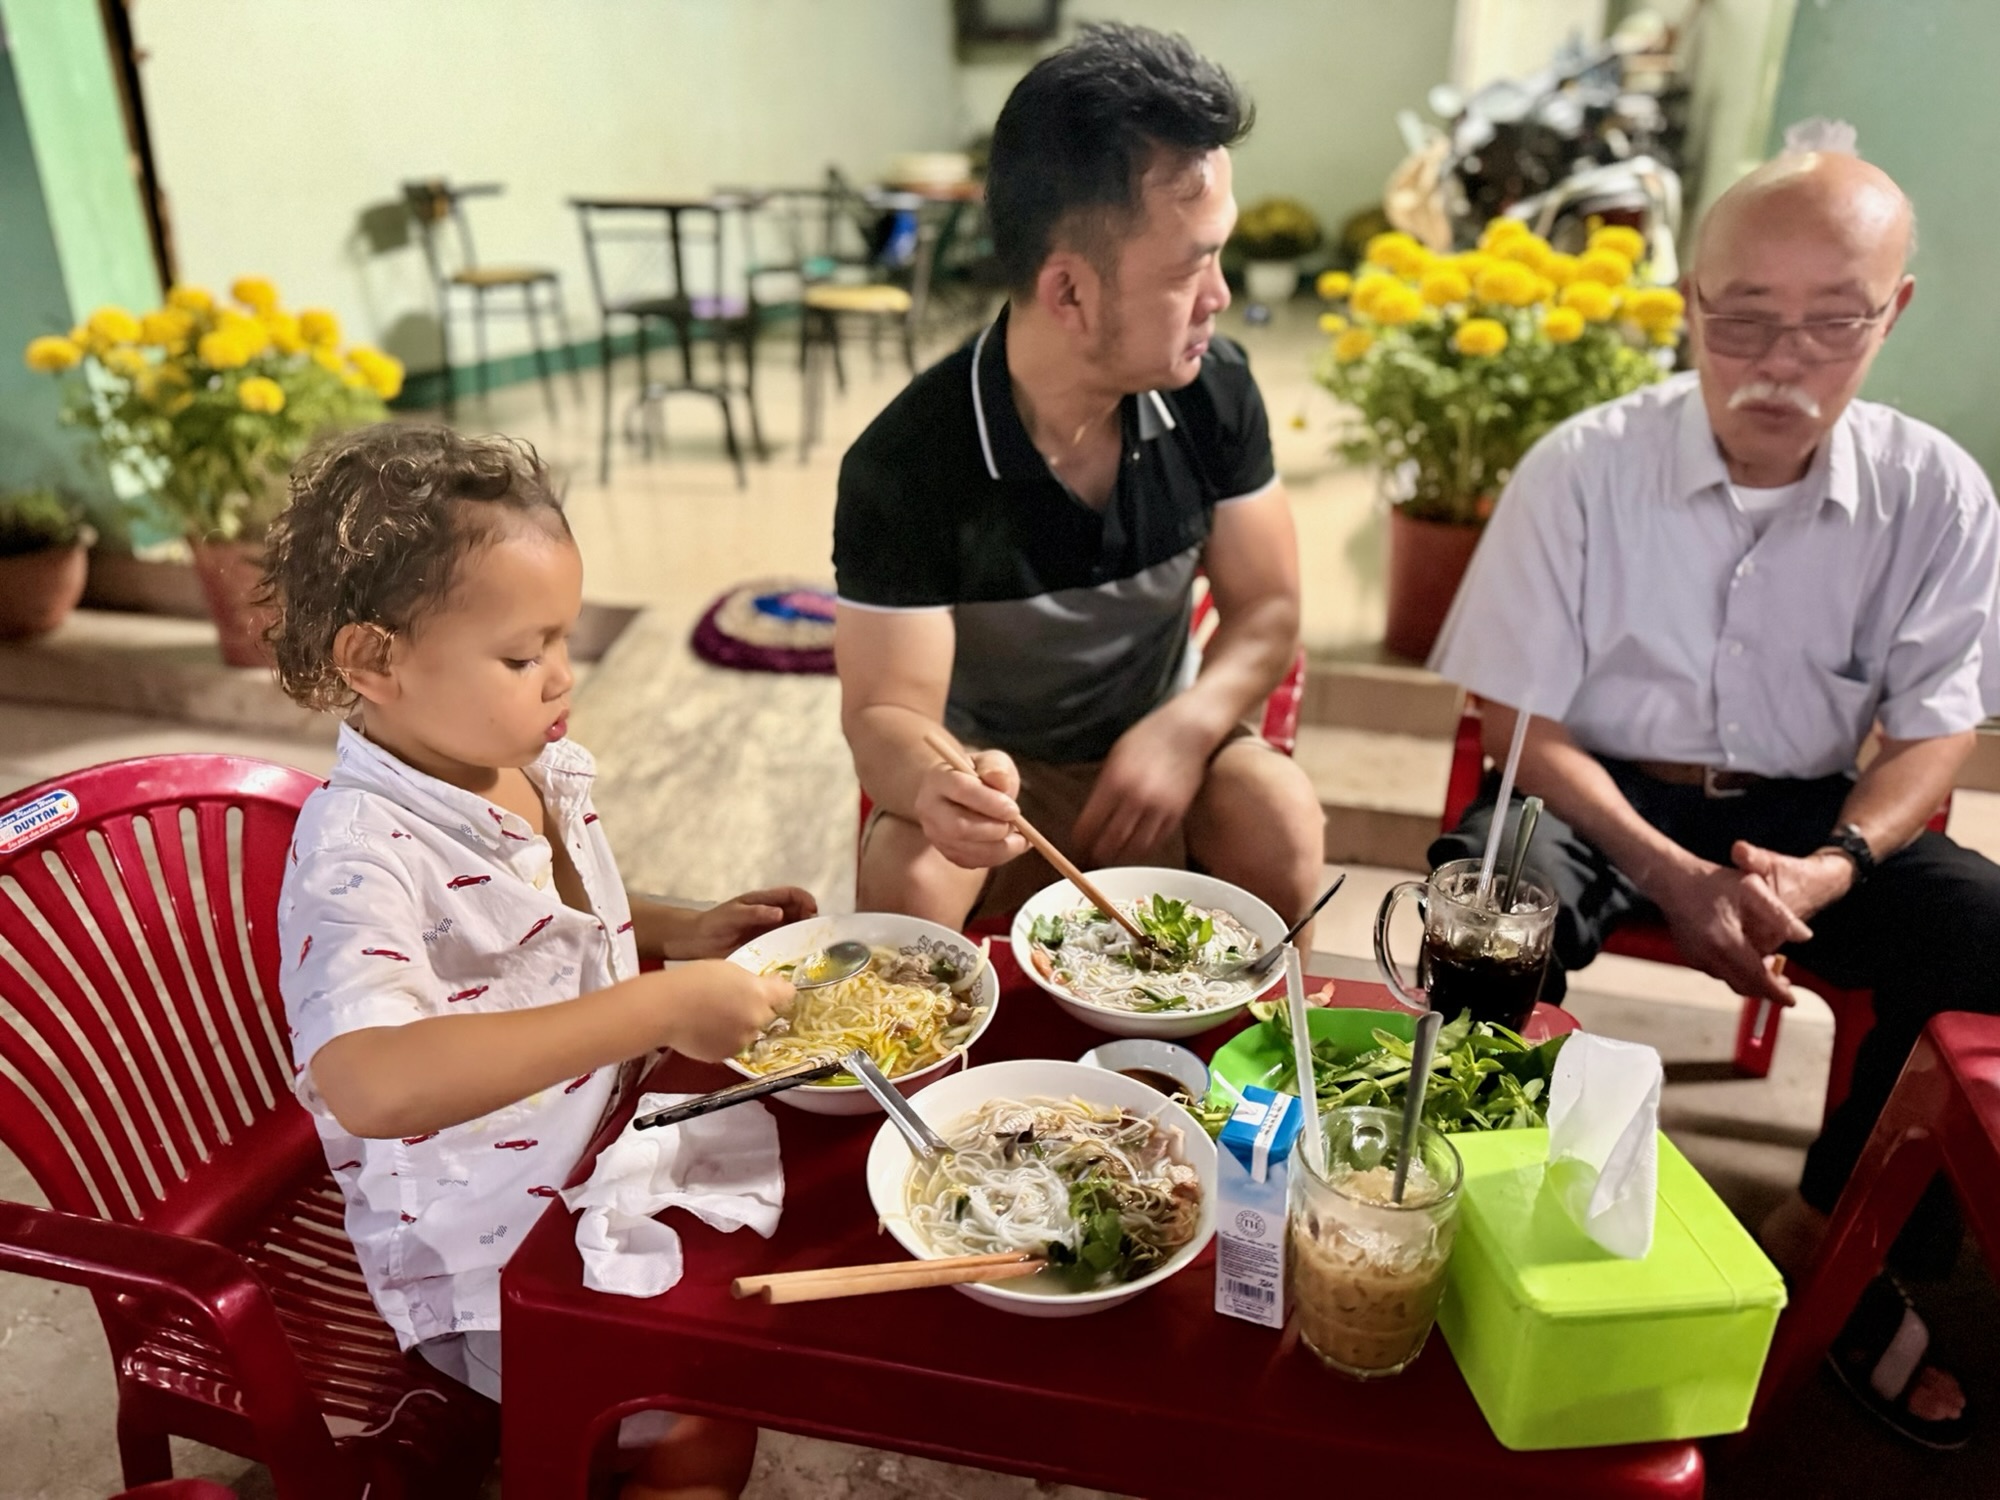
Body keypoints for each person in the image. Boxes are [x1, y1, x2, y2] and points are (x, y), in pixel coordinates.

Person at [1430, 149, 2000, 1449]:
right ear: (1689, 298)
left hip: (1808, 814)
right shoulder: (1582, 469)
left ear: (1894, 311)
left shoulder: (1936, 495)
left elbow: (1934, 732)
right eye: (1742, 316)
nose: (1780, 361)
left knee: (1983, 935)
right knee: (1485, 910)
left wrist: (1838, 862)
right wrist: (1667, 871)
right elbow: (1516, 719)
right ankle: (1485, 1205)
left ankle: (1837, 1237)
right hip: (1596, 788)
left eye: (1832, 320)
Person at [264, 424, 813, 1500]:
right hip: (482, 1247)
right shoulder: (355, 851)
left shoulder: (515, 761)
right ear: (374, 662)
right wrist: (654, 1009)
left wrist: (674, 931)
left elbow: (538, 926)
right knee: (697, 1421)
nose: (562, 676)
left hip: (594, 1152)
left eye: (563, 639)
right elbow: (370, 1079)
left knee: (785, 1281)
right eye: (523, 655)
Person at [833, 23, 1325, 940]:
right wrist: (941, 781)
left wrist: (1187, 726)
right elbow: (885, 712)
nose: (1221, 294)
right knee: (909, 872)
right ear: (1068, 293)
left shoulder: (1214, 390)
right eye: (1192, 264)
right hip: (1000, 784)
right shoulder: (908, 462)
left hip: (1162, 742)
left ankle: (1234, 1057)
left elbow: (1268, 611)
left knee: (1278, 816)